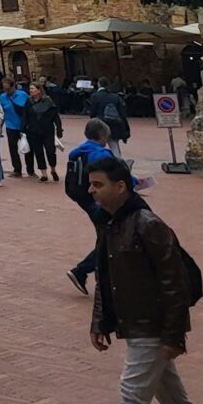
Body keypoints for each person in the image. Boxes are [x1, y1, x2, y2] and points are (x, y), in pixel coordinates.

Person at [80, 158, 203, 404]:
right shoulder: (111, 224)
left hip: (151, 326)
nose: (92, 191)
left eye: (98, 185)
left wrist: (174, 334)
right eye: (91, 184)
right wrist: (100, 321)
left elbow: (174, 284)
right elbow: (106, 278)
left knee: (132, 390)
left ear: (120, 187)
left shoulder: (148, 224)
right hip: (136, 323)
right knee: (173, 397)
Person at [64, 119, 120, 295]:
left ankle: (102, 277)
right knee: (111, 239)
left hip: (85, 199)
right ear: (102, 135)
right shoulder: (101, 154)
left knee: (105, 235)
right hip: (100, 201)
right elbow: (112, 175)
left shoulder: (78, 152)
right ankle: (82, 271)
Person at [25, 76, 64, 181]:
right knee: (38, 152)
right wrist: (23, 130)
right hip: (33, 131)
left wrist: (59, 129)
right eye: (30, 89)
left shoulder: (48, 101)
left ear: (39, 90)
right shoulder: (28, 101)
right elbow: (25, 116)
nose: (31, 91)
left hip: (47, 130)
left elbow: (55, 116)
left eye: (33, 89)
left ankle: (53, 169)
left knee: (50, 151)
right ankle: (44, 174)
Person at [0, 77, 31, 178]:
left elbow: (30, 109)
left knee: (28, 148)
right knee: (13, 149)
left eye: (8, 89)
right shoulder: (3, 97)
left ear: (13, 86)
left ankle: (30, 169)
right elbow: (2, 112)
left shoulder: (23, 95)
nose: (7, 91)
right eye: (5, 89)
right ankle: (17, 170)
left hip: (24, 126)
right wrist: (0, 126)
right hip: (10, 126)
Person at [88, 77, 133, 145]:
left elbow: (92, 113)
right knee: (114, 146)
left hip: (100, 125)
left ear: (99, 84)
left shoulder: (95, 96)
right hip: (114, 124)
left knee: (97, 147)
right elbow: (122, 114)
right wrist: (126, 129)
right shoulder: (115, 97)